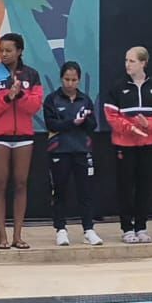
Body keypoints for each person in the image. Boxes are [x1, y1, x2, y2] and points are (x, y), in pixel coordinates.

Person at [103, 47, 152, 244]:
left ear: (143, 63)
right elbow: (111, 114)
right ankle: (127, 228)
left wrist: (149, 125)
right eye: (126, 60)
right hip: (125, 145)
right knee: (125, 186)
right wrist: (130, 128)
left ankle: (141, 227)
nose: (127, 64)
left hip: (149, 144)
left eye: (132, 61)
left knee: (145, 186)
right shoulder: (118, 87)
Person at [0, 33, 43, 250]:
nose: (4, 54)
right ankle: (2, 236)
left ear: (19, 51)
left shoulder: (31, 75)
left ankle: (18, 235)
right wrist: (8, 96)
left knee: (21, 183)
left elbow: (35, 106)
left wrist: (21, 94)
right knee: (0, 181)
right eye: (1, 50)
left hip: (24, 135)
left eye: (8, 50)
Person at [43, 61, 102, 247]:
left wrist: (84, 121)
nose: (70, 83)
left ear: (79, 80)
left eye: (74, 80)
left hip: (82, 150)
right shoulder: (52, 99)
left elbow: (93, 125)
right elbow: (51, 124)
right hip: (60, 150)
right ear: (61, 79)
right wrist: (72, 122)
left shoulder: (85, 100)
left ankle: (88, 229)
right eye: (67, 79)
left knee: (85, 192)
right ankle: (61, 229)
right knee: (60, 190)